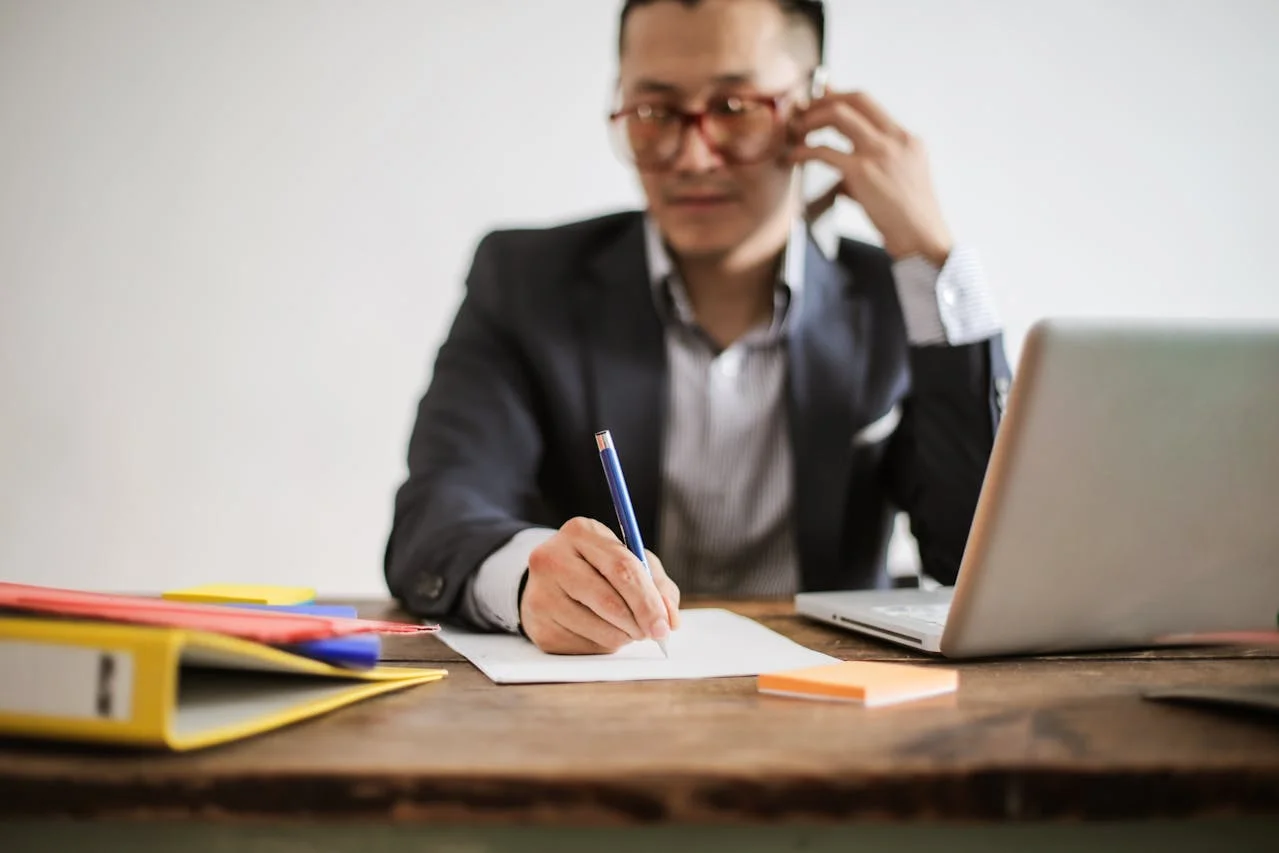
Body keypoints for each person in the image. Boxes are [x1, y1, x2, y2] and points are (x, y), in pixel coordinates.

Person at [385, 0, 1010, 654]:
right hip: (594, 706)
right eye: (654, 112)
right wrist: (525, 577)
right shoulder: (525, 280)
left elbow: (979, 557)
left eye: (734, 108)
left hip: (835, 703)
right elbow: (437, 512)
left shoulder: (899, 297)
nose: (691, 155)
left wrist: (931, 258)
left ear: (813, 106)